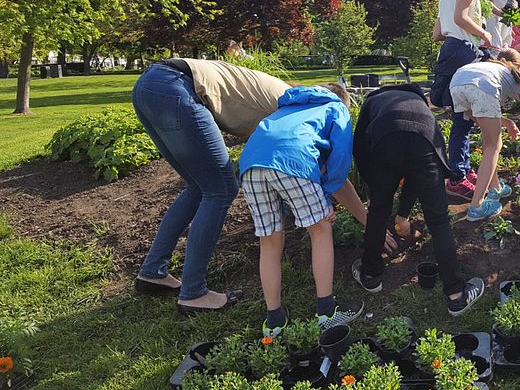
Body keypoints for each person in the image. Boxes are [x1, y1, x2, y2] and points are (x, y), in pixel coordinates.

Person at [131, 59, 394, 314]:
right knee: (219, 190)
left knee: (198, 187)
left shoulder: (292, 101)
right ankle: (194, 293)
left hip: (150, 85)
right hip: (180, 85)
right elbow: (330, 171)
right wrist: (366, 222)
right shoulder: (317, 107)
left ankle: (154, 270)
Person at [350, 83, 486, 316]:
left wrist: (377, 192)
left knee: (377, 212)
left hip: (384, 139)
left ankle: (370, 275)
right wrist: (402, 213)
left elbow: (360, 149)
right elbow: (417, 169)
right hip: (425, 138)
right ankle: (456, 295)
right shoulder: (421, 107)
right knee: (439, 220)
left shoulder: (372, 102)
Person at [239, 84, 364, 336]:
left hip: (250, 166)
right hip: (293, 162)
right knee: (320, 230)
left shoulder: (289, 106)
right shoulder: (336, 107)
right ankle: (327, 312)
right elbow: (339, 159)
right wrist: (326, 197)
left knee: (270, 242)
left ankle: (274, 322)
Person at [449, 49, 520, 221]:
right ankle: (476, 206)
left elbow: (478, 114)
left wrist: (507, 122)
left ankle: (495, 189)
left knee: (489, 144)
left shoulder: (487, 66)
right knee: (494, 145)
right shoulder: (514, 75)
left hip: (457, 82)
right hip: (480, 87)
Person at [430, 0, 493, 202]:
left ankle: (462, 170)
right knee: (463, 118)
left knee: (462, 117)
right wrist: (484, 33)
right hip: (463, 50)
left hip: (450, 49)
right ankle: (457, 177)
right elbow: (461, 18)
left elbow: (437, 33)